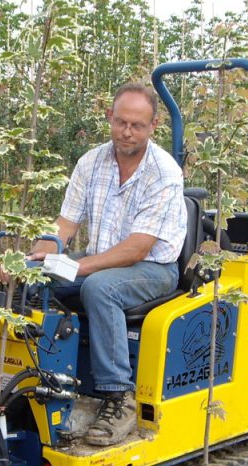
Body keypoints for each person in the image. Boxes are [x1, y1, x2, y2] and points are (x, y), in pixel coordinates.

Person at [29, 83, 187, 447]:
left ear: (153, 126)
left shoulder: (163, 172)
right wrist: (36, 257)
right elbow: (65, 224)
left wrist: (78, 267)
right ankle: (43, 377)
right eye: (121, 122)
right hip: (100, 259)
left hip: (152, 268)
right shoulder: (91, 162)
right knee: (35, 280)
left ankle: (119, 396)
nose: (127, 132)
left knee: (98, 288)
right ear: (109, 118)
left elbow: (136, 248)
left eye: (137, 125)